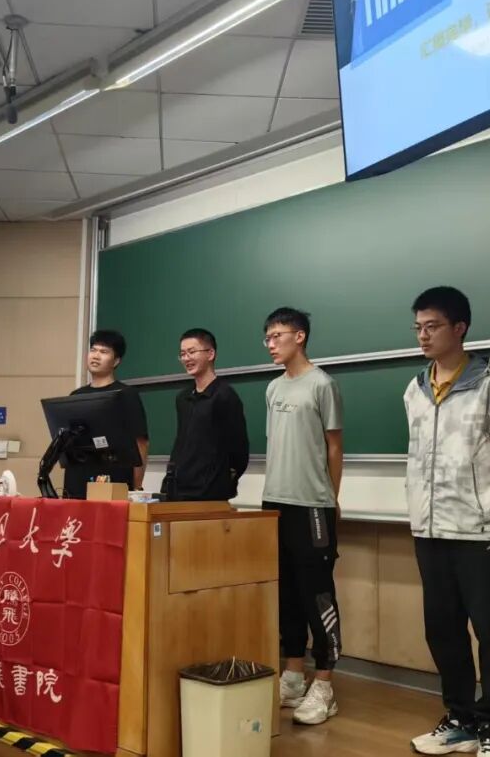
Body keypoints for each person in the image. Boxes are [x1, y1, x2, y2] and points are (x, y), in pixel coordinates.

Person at [404, 287, 490, 757]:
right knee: (442, 630)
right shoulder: (414, 390)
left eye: (432, 326)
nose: (423, 335)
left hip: (478, 532)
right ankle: (460, 718)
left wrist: (487, 501)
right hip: (428, 529)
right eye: (418, 327)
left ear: (459, 328)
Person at [260, 307, 344, 726]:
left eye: (278, 335)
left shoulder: (322, 385)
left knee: (317, 594)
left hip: (313, 505)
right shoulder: (273, 388)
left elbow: (334, 447)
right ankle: (293, 675)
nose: (271, 344)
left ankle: (324, 683)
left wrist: (331, 500)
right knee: (286, 593)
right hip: (275, 501)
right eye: (267, 337)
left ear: (300, 336)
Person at [164, 328, 249, 501]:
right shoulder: (183, 397)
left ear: (210, 354)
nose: (186, 358)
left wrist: (222, 481)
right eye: (182, 354)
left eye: (192, 352)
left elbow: (239, 449)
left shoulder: (225, 396)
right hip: (178, 489)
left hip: (209, 492)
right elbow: (181, 444)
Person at [63, 329, 149, 499]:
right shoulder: (76, 396)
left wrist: (136, 486)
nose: (96, 356)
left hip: (113, 480)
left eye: (104, 352)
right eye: (93, 350)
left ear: (116, 361)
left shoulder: (126, 394)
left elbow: (141, 442)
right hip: (77, 480)